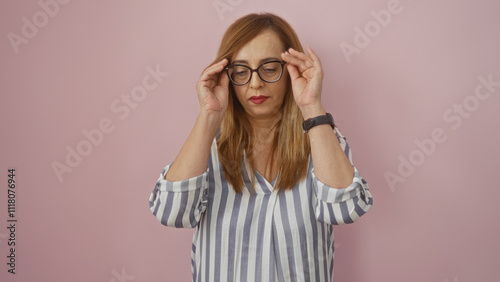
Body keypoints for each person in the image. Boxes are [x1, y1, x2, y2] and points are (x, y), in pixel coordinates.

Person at [149, 12, 373, 282]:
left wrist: (312, 105)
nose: (255, 83)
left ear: (292, 70)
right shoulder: (207, 147)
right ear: (227, 77)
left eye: (269, 68)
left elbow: (345, 210)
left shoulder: (322, 139)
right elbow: (172, 213)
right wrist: (209, 116)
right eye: (241, 71)